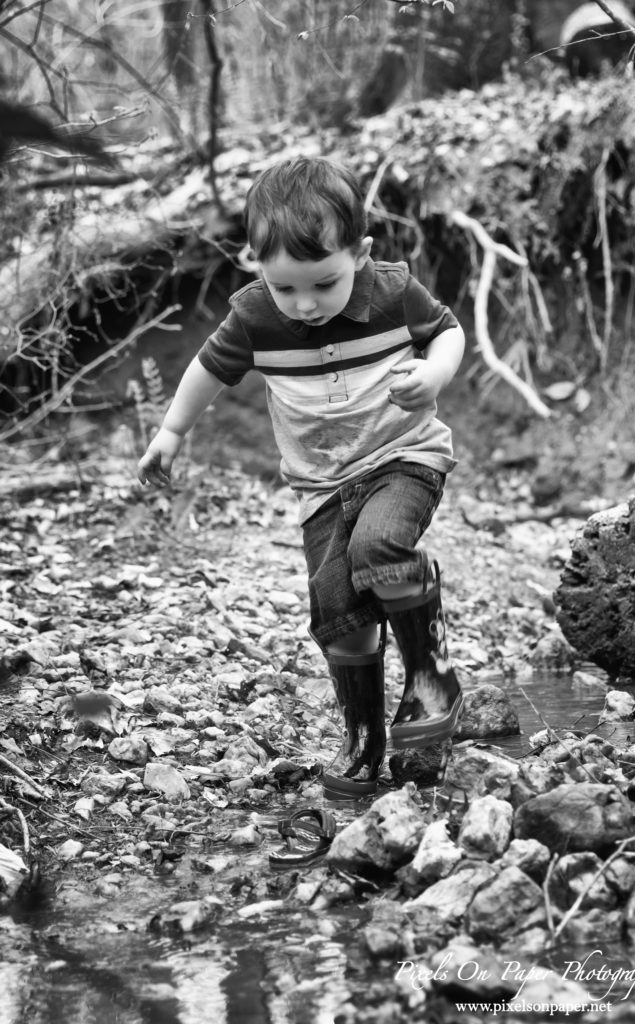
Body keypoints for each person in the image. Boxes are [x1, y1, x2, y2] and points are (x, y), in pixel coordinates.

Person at [137, 156, 466, 801]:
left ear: (361, 253)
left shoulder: (393, 293)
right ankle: (365, 735)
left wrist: (434, 373)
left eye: (323, 283)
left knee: (379, 547)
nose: (305, 304)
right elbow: (207, 369)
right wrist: (172, 432)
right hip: (319, 487)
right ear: (255, 263)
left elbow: (448, 331)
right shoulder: (258, 317)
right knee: (337, 604)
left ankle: (432, 680)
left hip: (404, 456)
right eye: (286, 288)